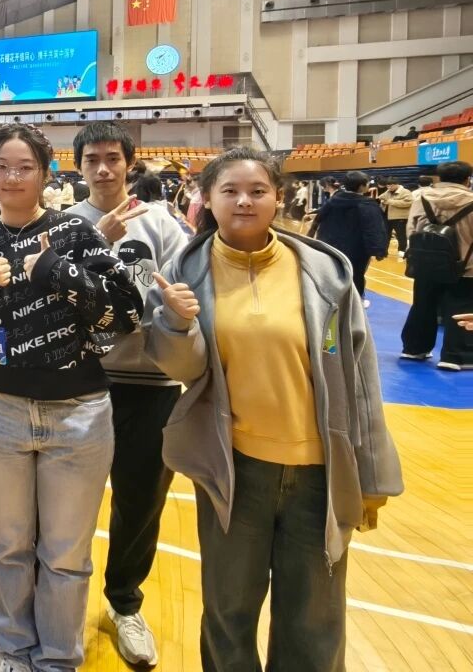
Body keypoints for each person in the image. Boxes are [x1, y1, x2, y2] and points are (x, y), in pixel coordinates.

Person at [144, 147, 403, 671]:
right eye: (230, 191)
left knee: (315, 621)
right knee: (228, 612)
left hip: (319, 473)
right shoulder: (186, 270)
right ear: (207, 199)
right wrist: (176, 323)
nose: (244, 201)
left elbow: (358, 375)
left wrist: (373, 471)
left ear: (278, 197)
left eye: (258, 191)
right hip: (233, 468)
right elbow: (185, 369)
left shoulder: (324, 271)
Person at [0, 124, 143, 672]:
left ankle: (58, 657)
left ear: (46, 173)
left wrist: (60, 271)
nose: (12, 177)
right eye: (2, 167)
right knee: (7, 544)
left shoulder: (77, 233)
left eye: (25, 166)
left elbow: (126, 314)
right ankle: (11, 647)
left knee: (66, 552)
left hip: (79, 413)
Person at [68, 123, 188, 667]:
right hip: (80, 381)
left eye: (112, 158)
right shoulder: (66, 224)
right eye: (92, 159)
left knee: (139, 501)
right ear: (78, 166)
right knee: (65, 502)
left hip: (149, 384)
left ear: (129, 164)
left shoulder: (162, 224)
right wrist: (94, 241)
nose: (102, 168)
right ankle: (52, 596)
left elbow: (181, 295)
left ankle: (124, 603)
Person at [400, 160, 473, 370]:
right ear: (467, 179)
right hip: (465, 267)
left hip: (426, 264)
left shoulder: (422, 198)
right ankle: (455, 357)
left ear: (439, 178)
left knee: (422, 305)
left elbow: (411, 230)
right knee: (461, 308)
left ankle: (414, 348)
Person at [308, 170, 389, 306]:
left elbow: (319, 217)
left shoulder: (334, 200)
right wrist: (379, 249)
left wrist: (311, 235)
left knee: (333, 272)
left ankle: (329, 300)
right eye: (367, 183)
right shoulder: (367, 204)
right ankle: (355, 303)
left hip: (330, 243)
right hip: (356, 247)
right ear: (362, 186)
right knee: (355, 274)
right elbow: (374, 227)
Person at [379, 178, 414, 257]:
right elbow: (381, 197)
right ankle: (383, 252)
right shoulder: (388, 191)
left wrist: (390, 201)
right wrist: (383, 201)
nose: (389, 187)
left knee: (401, 236)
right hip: (387, 217)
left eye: (391, 186)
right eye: (387, 186)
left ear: (397, 184)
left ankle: (402, 252)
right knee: (385, 235)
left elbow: (409, 202)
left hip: (400, 218)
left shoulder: (405, 192)